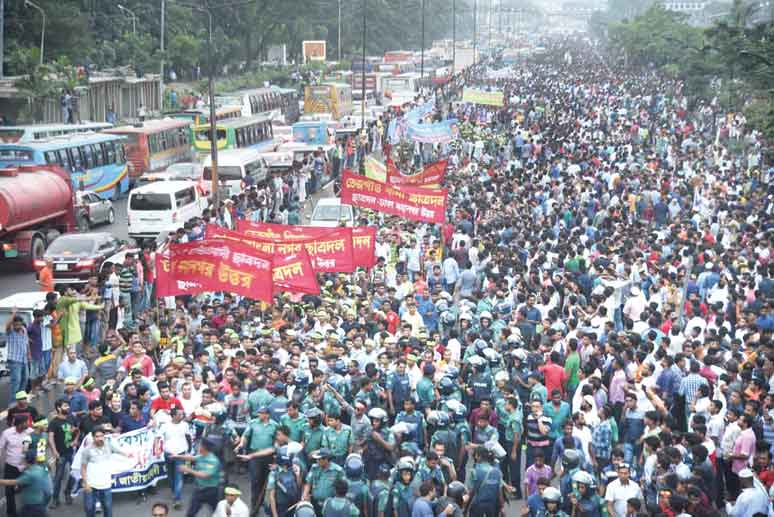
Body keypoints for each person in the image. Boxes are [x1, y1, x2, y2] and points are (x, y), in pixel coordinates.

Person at [80, 426, 130, 517]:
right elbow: (83, 468)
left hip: (106, 485)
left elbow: (120, 451)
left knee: (107, 508)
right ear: (93, 437)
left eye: (101, 436)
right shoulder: (87, 451)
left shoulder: (109, 445)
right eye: (97, 436)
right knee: (89, 508)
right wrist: (85, 483)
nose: (99, 438)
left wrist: (129, 455)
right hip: (91, 484)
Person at [173, 438, 222, 517]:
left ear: (204, 448)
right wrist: (177, 456)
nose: (198, 447)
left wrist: (188, 470)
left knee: (217, 512)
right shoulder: (202, 456)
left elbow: (205, 475)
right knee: (191, 513)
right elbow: (192, 458)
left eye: (200, 445)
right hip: (199, 490)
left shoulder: (213, 460)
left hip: (211, 491)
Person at [0, 449, 51, 517]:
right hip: (40, 503)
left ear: (26, 460)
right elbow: (48, 470)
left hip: (31, 507)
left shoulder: (29, 475)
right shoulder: (40, 469)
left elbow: (11, 482)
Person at [0, 415, 33, 517]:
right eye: (27, 422)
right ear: (20, 424)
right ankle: (11, 513)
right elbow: (0, 448)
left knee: (27, 489)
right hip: (11, 466)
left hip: (26, 466)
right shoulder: (7, 433)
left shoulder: (30, 432)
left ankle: (26, 511)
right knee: (9, 491)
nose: (28, 424)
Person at [48, 398, 77, 508]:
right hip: (60, 454)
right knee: (58, 477)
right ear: (58, 408)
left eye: (68, 405)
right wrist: (54, 452)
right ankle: (55, 499)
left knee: (74, 474)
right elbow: (50, 438)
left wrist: (75, 440)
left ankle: (67, 492)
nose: (68, 407)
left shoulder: (71, 418)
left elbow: (76, 430)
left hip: (71, 452)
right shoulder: (54, 422)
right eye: (65, 406)